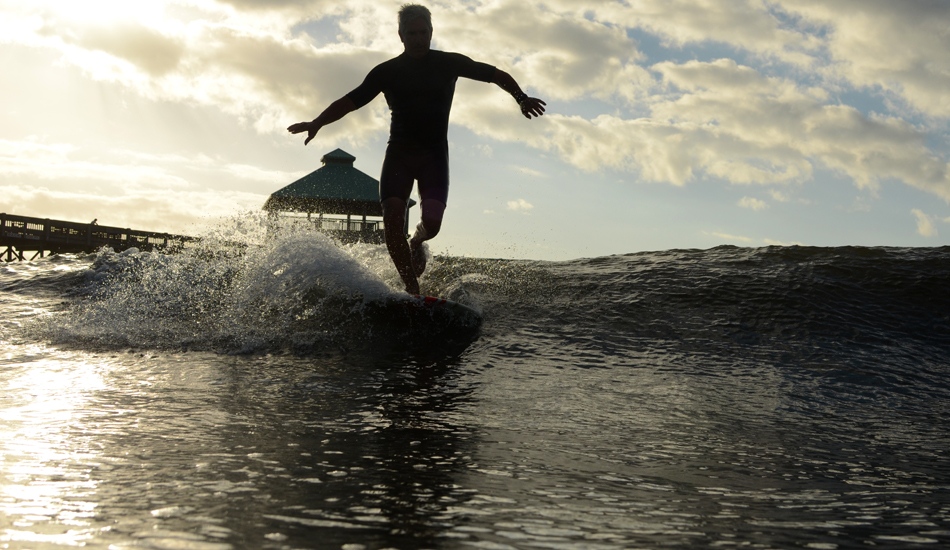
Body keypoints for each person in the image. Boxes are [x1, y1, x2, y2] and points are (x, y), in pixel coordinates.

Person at [288, 3, 545, 295]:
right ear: (401, 36)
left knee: (432, 224)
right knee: (393, 216)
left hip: (434, 156)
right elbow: (351, 100)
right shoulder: (387, 72)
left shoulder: (448, 63)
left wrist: (521, 98)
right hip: (399, 154)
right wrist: (318, 122)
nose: (419, 39)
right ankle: (412, 288)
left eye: (424, 32)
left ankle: (417, 242)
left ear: (432, 32)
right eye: (412, 33)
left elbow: (495, 74)